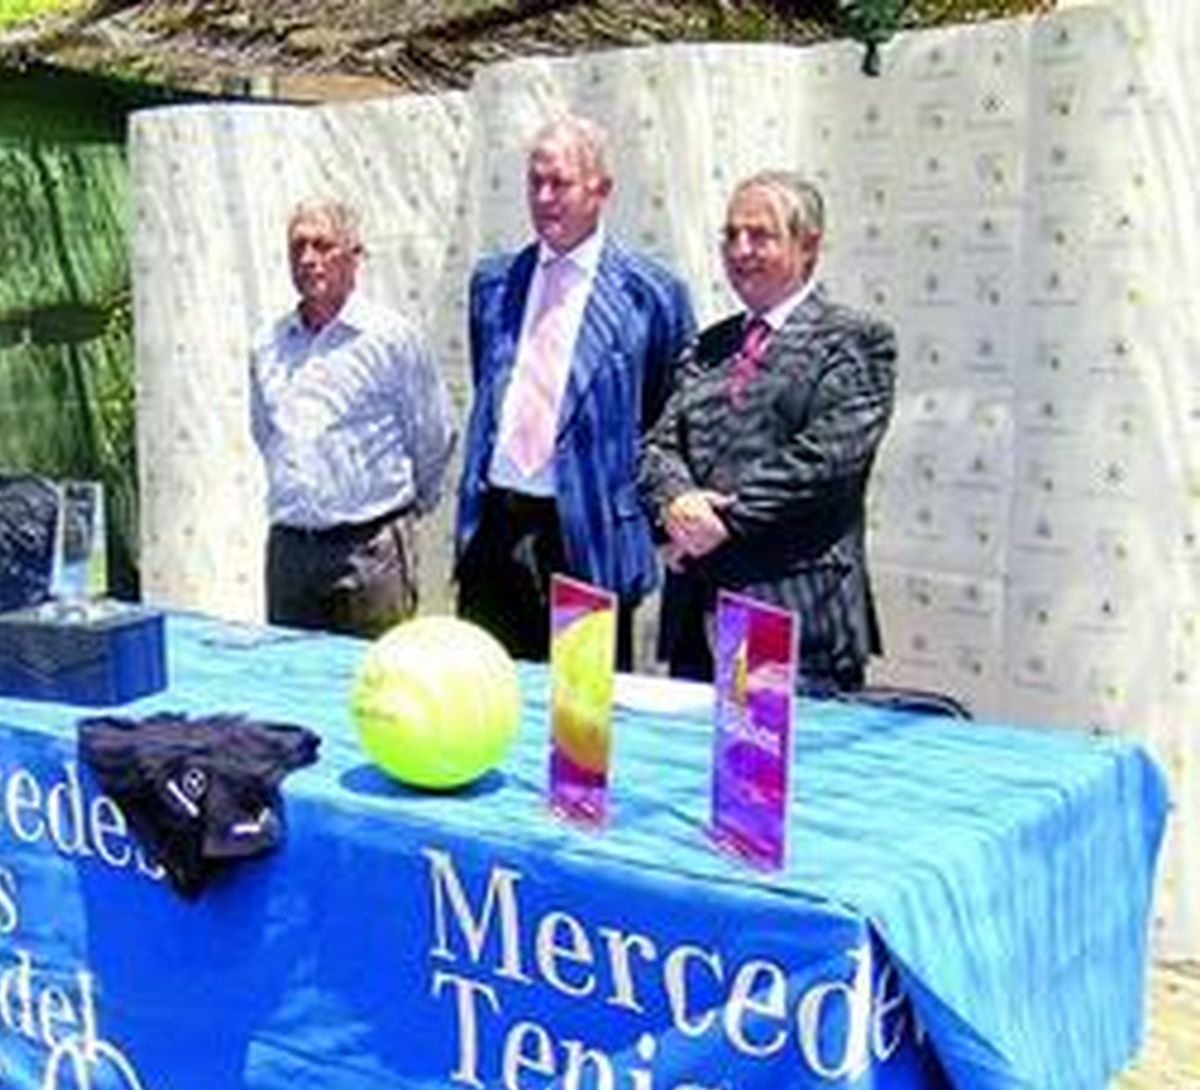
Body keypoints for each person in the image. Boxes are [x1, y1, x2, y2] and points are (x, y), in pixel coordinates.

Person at [639, 170, 896, 694]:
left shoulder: (855, 341)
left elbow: (827, 462)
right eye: (731, 235)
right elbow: (659, 447)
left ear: (809, 246)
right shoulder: (707, 346)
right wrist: (675, 503)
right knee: (691, 773)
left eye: (760, 236)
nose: (741, 249)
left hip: (797, 620)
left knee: (783, 777)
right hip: (697, 614)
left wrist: (719, 521)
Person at [454, 115, 695, 667]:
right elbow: (490, 390)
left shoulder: (650, 294)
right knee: (490, 704)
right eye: (534, 182)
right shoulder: (494, 284)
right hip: (496, 531)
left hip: (589, 539)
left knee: (581, 732)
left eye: (558, 183)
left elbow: (665, 417)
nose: (543, 197)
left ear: (601, 189)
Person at [249, 197, 455, 638]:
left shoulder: (390, 339)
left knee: (377, 687)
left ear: (354, 257)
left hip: (371, 550)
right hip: (291, 552)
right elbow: (267, 433)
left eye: (322, 245)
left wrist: (404, 510)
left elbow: (433, 434)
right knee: (291, 689)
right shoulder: (267, 345)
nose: (308, 259)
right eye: (297, 247)